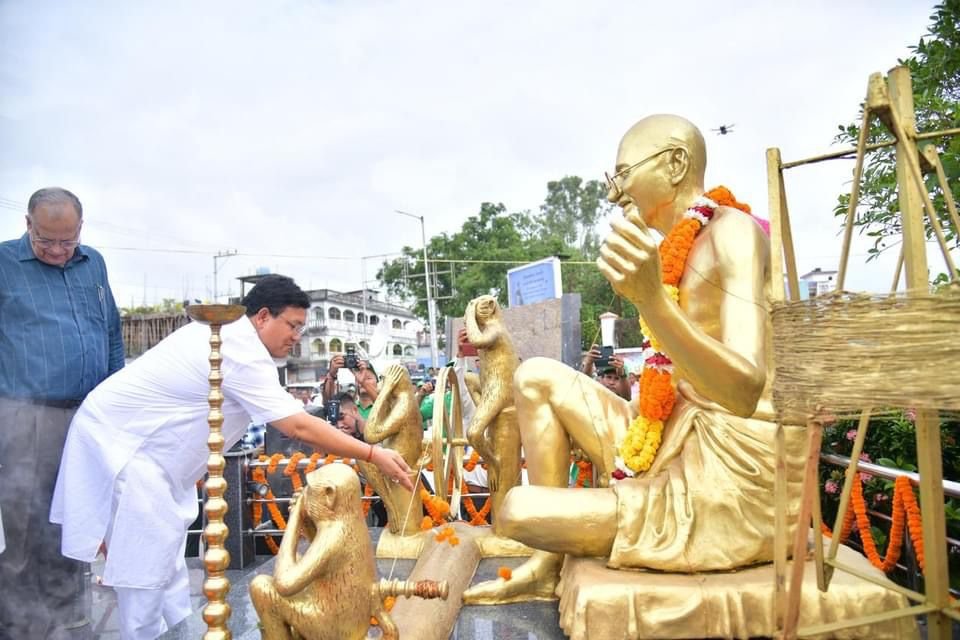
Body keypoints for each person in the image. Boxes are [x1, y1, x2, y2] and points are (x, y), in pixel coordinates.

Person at [463, 114, 804, 604]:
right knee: (534, 376)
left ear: (675, 164)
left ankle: (588, 533)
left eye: (622, 175)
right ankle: (546, 565)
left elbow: (746, 389)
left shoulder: (734, 233)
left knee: (517, 511)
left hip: (728, 474)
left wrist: (652, 302)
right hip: (667, 433)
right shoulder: (671, 248)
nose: (613, 194)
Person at [50, 275, 413, 639]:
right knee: (144, 575)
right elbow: (297, 426)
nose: (296, 337)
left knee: (169, 571)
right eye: (292, 325)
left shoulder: (238, 343)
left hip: (152, 461)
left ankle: (183, 633)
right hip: (126, 451)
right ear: (262, 317)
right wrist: (371, 452)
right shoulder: (235, 346)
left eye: (301, 328)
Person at [0, 187, 123, 639]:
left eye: (65, 241)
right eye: (45, 240)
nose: (56, 250)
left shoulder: (93, 263)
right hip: (23, 413)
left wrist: (113, 397)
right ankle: (18, 622)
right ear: (27, 225)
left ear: (80, 230)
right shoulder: (3, 264)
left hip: (87, 411)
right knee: (26, 519)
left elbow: (110, 329)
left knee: (77, 514)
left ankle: (69, 612)